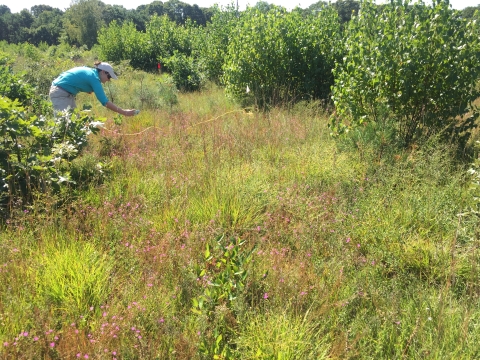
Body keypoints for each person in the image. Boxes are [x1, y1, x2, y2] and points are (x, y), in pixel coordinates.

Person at [49, 61, 137, 116]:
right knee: (63, 124)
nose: (109, 80)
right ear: (103, 72)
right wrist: (124, 112)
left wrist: (86, 88)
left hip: (64, 93)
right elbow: (104, 102)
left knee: (74, 121)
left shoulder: (91, 73)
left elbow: (78, 79)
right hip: (60, 93)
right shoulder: (94, 78)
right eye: (109, 77)